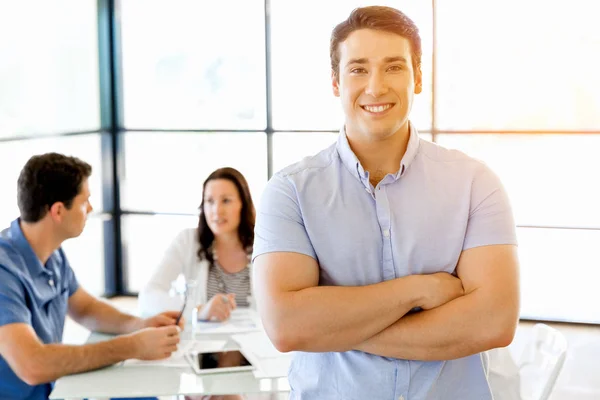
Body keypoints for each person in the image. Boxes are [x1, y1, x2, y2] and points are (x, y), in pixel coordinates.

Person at [252, 6, 520, 400]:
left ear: (418, 79)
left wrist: (337, 330)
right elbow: (287, 326)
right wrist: (416, 291)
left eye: (393, 67)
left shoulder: (475, 183)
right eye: (358, 69)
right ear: (335, 82)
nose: (375, 87)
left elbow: (493, 322)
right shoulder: (290, 191)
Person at [0, 153, 183, 400]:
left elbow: (85, 308)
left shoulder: (51, 253)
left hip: (55, 390)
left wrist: (138, 325)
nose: (91, 209)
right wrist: (132, 346)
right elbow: (32, 365)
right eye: (84, 201)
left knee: (140, 394)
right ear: (57, 211)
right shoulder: (4, 270)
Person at [139, 167, 256, 323]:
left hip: (256, 344)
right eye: (210, 201)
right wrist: (198, 310)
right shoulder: (187, 241)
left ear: (243, 204)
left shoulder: (263, 246)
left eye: (226, 200)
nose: (217, 210)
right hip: (203, 345)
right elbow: (148, 297)